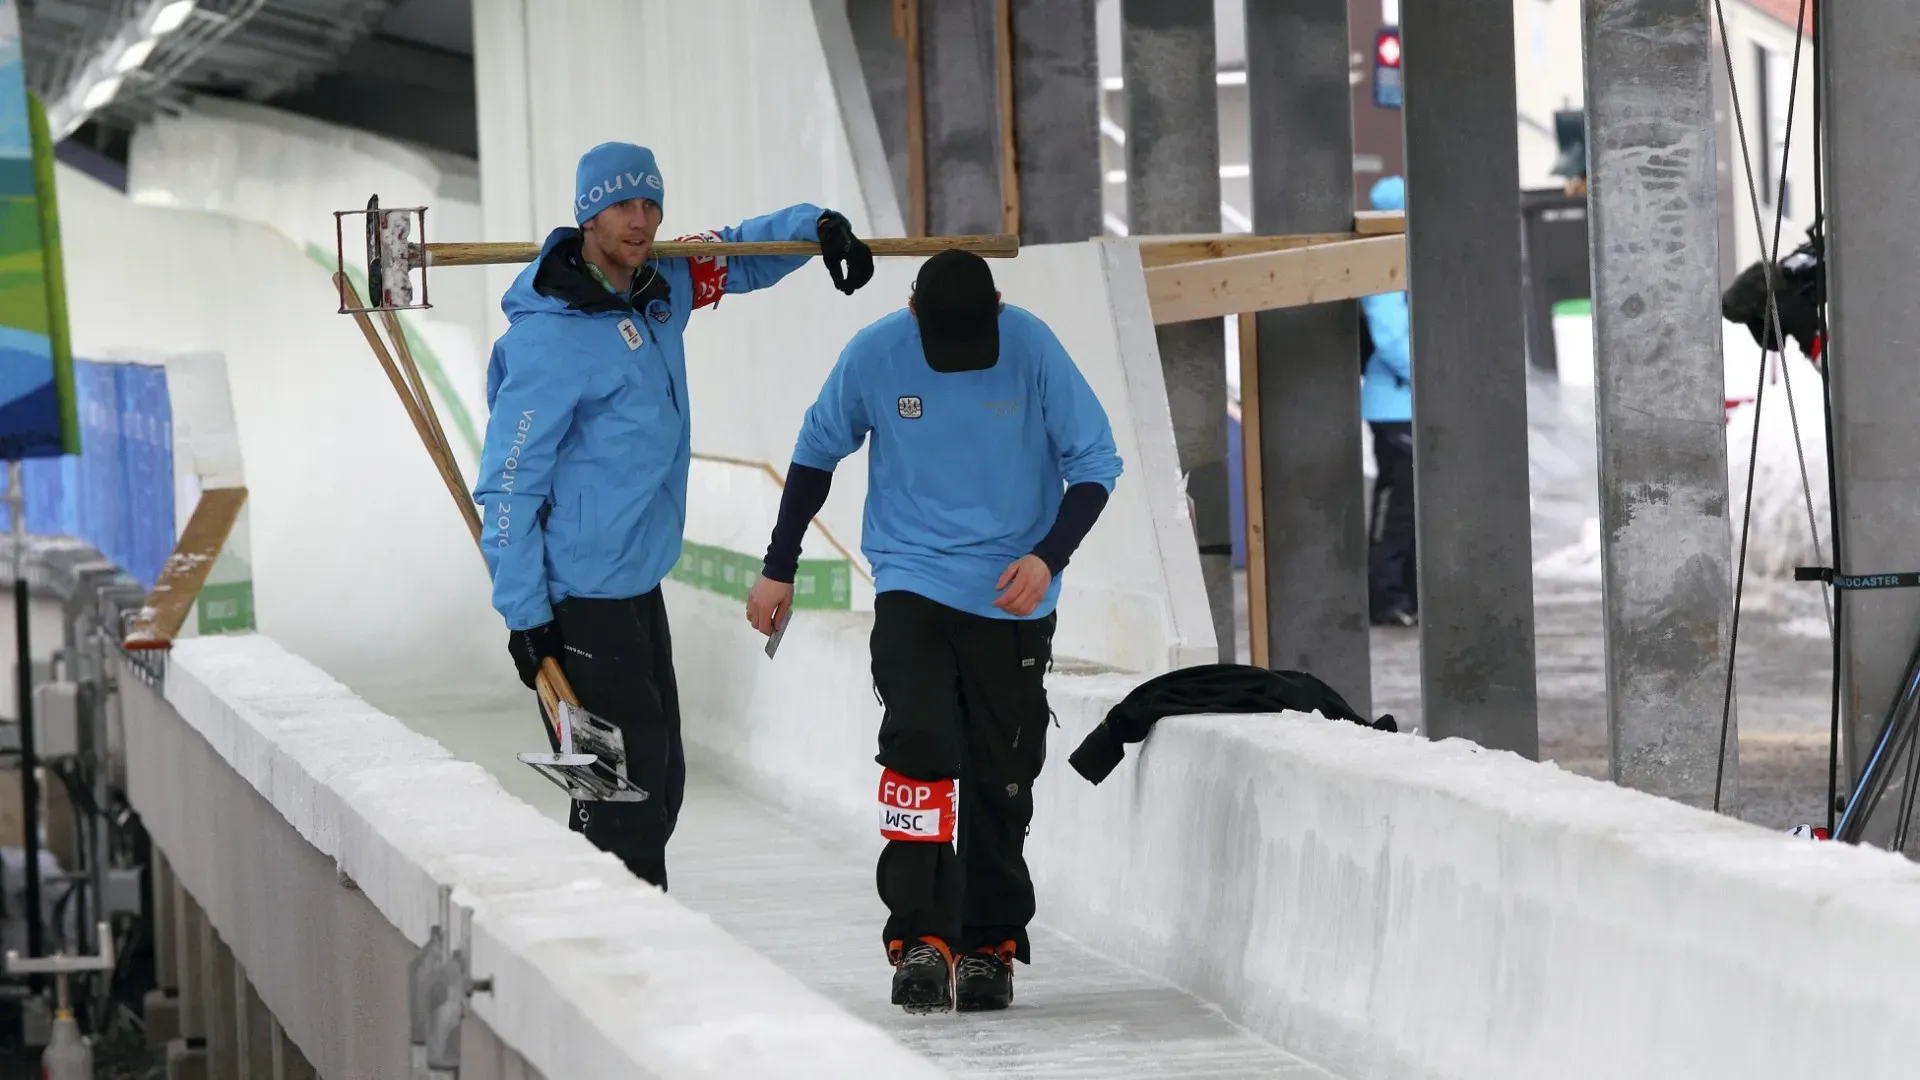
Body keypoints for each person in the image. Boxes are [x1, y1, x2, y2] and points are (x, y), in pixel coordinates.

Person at [471, 141, 875, 890]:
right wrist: (527, 618)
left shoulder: (659, 286)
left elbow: (743, 253)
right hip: (579, 599)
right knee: (620, 795)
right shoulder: (549, 338)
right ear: (587, 214)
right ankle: (621, 954)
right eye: (622, 205)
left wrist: (817, 229)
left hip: (634, 586)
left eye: (651, 204)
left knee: (657, 779)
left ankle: (623, 922)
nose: (640, 219)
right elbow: (506, 491)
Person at [743, 250, 1121, 1014]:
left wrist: (1049, 558)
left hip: (1013, 595)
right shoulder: (877, 353)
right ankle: (922, 936)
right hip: (913, 577)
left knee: (1000, 771)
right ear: (913, 312)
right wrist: (778, 565)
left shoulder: (1031, 345)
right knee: (918, 748)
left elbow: (1095, 463)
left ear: (999, 308)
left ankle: (989, 943)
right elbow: (817, 452)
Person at [1360, 174, 1417, 627]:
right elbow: (1391, 335)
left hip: (1410, 403)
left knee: (1416, 504)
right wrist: (1431, 376)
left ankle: (1407, 594)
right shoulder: (1382, 262)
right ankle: (1384, 595)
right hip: (1396, 404)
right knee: (1398, 502)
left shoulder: (1408, 255)